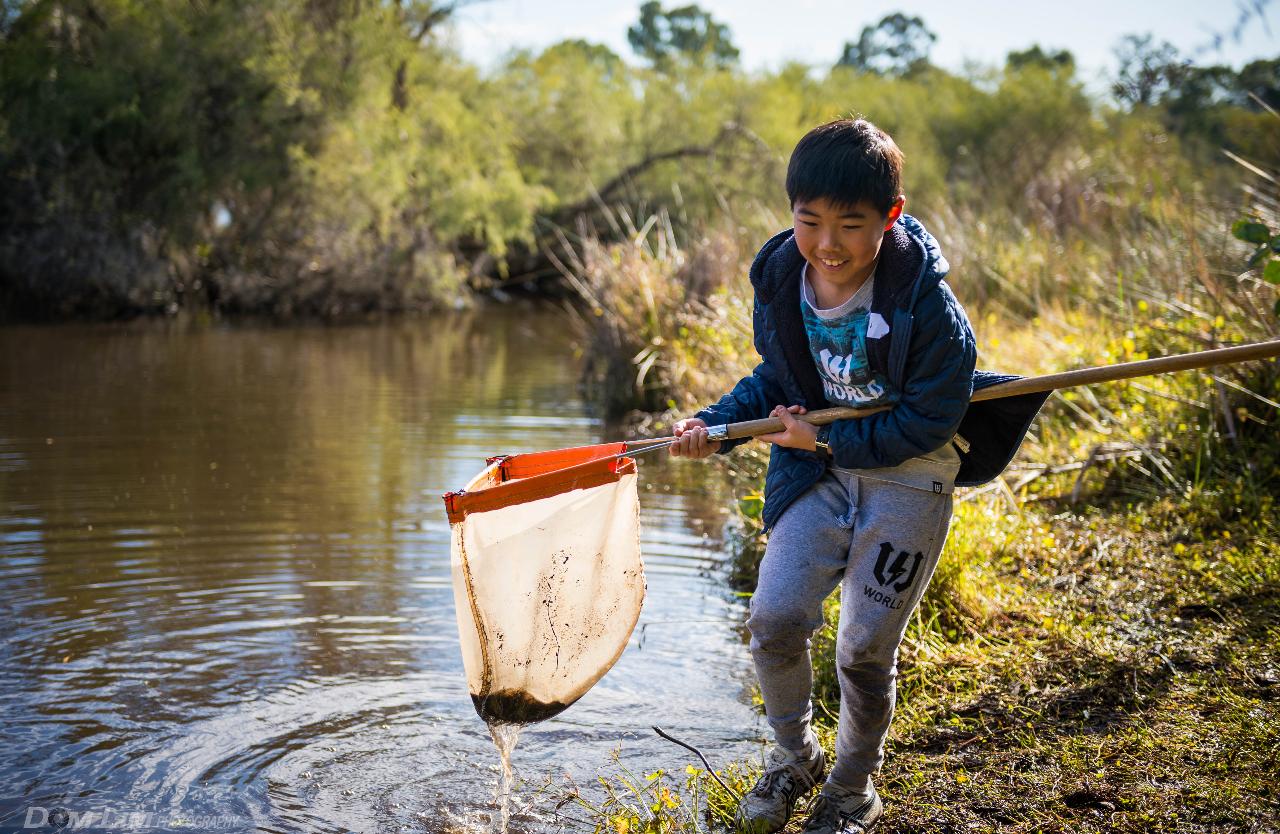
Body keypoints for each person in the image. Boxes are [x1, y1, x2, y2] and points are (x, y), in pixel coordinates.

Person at [669, 118, 979, 834]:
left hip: (910, 476)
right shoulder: (783, 280)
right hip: (819, 473)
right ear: (792, 214)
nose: (828, 244)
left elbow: (930, 420)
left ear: (890, 218)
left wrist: (828, 447)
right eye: (811, 221)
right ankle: (793, 758)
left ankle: (851, 787)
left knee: (864, 649)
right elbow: (777, 382)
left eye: (851, 224)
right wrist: (712, 428)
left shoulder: (927, 308)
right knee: (773, 620)